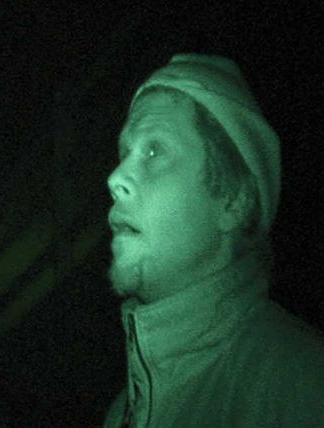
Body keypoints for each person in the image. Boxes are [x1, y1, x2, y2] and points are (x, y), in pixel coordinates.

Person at [103, 54, 324, 428]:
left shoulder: (304, 386)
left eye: (154, 150)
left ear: (232, 200)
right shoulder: (118, 415)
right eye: (125, 153)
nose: (116, 177)